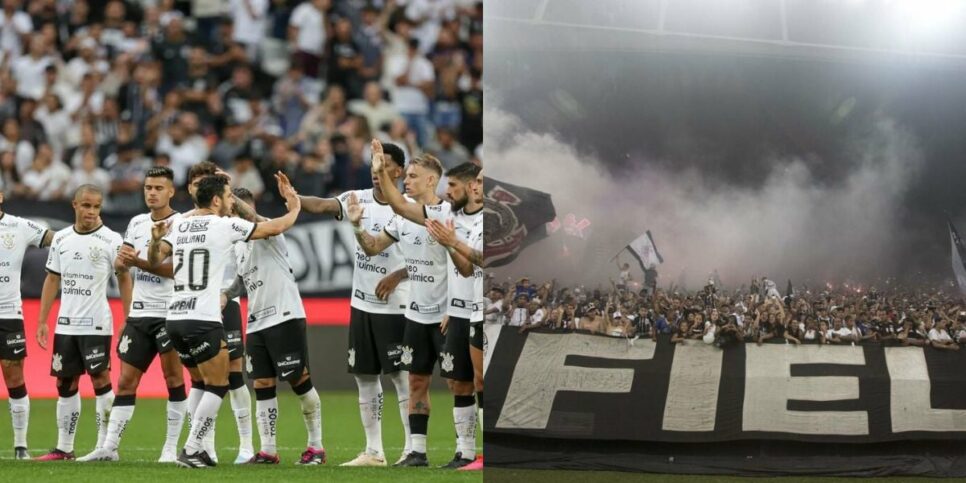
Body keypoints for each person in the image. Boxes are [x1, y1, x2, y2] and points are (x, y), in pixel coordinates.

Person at [145, 173, 301, 468]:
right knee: (219, 384)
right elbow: (274, 228)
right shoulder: (224, 225)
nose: (232, 202)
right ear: (216, 200)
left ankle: (200, 449)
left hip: (175, 317)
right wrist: (294, 208)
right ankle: (192, 448)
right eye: (229, 196)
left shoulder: (180, 224)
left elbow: (154, 260)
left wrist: (154, 241)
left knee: (199, 383)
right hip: (203, 318)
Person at [293, 142, 412, 467]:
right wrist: (293, 197)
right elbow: (321, 205)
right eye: (373, 164)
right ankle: (374, 451)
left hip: (397, 305)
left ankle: (412, 449)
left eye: (383, 164)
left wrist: (398, 275)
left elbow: (429, 258)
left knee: (401, 377)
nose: (376, 171)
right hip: (362, 305)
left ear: (399, 171)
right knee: (365, 377)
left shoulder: (410, 208)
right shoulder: (357, 199)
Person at [345, 144, 450, 467]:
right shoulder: (402, 219)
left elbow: (463, 263)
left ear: (431, 180)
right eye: (408, 176)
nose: (407, 180)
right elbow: (374, 247)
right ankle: (410, 451)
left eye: (413, 176)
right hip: (415, 313)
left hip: (445, 312)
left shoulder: (446, 215)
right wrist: (357, 226)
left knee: (460, 383)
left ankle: (468, 451)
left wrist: (380, 170)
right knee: (414, 380)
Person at [77, 167, 186, 463]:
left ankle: (169, 449)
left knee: (173, 378)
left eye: (158, 188)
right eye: (148, 187)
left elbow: (175, 270)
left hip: (169, 312)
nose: (152, 193)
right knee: (126, 381)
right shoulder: (137, 222)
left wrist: (137, 262)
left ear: (171, 191)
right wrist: (121, 263)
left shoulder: (181, 224)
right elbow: (123, 261)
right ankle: (110, 447)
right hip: (140, 313)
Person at [225, 188, 326, 465]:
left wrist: (229, 195)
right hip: (256, 322)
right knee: (262, 383)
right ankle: (268, 450)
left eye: (235, 211)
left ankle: (316, 447)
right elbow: (242, 280)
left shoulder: (269, 229)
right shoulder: (238, 244)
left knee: (299, 380)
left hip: (284, 315)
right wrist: (225, 295)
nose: (232, 217)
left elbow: (252, 217)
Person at [35, 185, 131, 461]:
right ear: (74, 205)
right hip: (66, 324)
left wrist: (128, 318)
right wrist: (42, 320)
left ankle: (105, 446)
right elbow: (52, 278)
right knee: (65, 382)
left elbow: (124, 277)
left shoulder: (111, 239)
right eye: (86, 205)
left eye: (96, 206)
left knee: (100, 379)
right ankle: (64, 448)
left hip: (96, 323)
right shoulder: (61, 238)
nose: (91, 211)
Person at [184, 161, 253, 463]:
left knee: (234, 375)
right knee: (201, 380)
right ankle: (204, 446)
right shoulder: (183, 223)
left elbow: (245, 268)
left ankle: (246, 446)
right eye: (197, 182)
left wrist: (227, 294)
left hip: (227, 304)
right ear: (190, 188)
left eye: (206, 181)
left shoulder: (229, 221)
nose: (201, 186)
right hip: (196, 308)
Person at [424, 163, 485, 471]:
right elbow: (466, 268)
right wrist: (449, 245)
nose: (447, 193)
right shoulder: (458, 219)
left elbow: (485, 259)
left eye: (452, 186)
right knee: (459, 383)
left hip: (486, 309)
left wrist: (453, 242)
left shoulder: (492, 221)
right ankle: (465, 453)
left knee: (481, 380)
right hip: (464, 311)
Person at [0, 186, 52, 459]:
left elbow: (53, 238)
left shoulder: (19, 226)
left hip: (9, 312)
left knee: (14, 375)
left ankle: (21, 445)